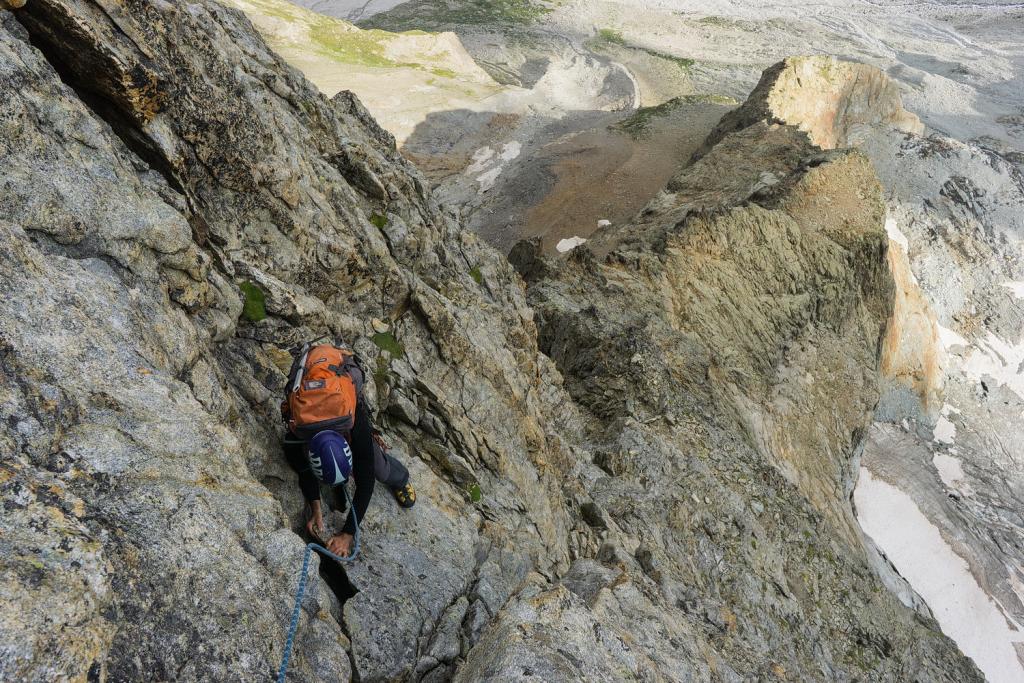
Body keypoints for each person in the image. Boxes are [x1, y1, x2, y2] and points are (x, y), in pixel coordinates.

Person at [281, 342, 415, 558]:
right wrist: (315, 505)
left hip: (340, 395)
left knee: (379, 468)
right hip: (313, 400)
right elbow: (303, 468)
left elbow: (366, 480)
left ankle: (401, 479)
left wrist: (348, 533)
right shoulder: (298, 433)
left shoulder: (352, 421)